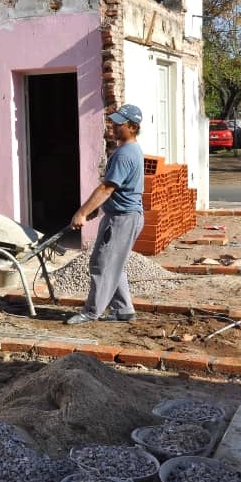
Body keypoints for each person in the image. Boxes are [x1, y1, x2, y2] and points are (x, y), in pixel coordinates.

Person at [66, 104, 145, 325]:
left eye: (120, 123)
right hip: (123, 215)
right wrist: (96, 210)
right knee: (114, 262)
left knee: (101, 264)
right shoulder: (131, 150)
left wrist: (82, 212)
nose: (114, 125)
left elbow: (107, 188)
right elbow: (117, 189)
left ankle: (91, 312)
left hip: (123, 219)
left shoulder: (125, 154)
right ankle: (123, 309)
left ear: (133, 126)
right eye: (114, 121)